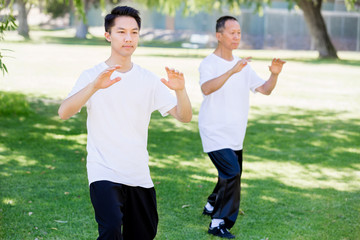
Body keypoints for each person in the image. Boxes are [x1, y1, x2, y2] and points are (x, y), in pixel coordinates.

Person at [58, 6, 192, 240]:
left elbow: (184, 116)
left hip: (138, 173)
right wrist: (94, 87)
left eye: (134, 32)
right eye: (121, 32)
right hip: (103, 170)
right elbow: (64, 112)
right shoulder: (93, 75)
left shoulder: (148, 79)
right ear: (108, 35)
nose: (128, 38)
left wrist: (181, 91)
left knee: (143, 234)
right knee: (110, 230)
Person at [198, 16, 285, 239]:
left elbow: (265, 89)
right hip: (213, 130)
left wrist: (274, 74)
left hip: (235, 134)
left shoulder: (243, 65)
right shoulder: (209, 63)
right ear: (219, 36)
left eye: (239, 32)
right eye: (232, 32)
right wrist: (231, 71)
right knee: (232, 172)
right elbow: (206, 89)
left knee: (229, 174)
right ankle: (218, 223)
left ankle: (211, 204)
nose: (237, 36)